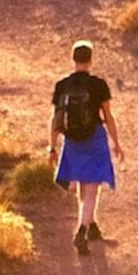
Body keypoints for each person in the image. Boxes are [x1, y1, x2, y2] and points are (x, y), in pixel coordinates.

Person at [50, 38, 119, 251]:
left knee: (82, 183)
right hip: (94, 137)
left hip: (72, 140)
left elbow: (55, 119)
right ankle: (81, 231)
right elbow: (108, 116)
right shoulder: (98, 84)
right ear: (90, 60)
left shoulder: (62, 85)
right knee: (92, 189)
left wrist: (52, 147)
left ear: (73, 59)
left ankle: (92, 225)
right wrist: (116, 142)